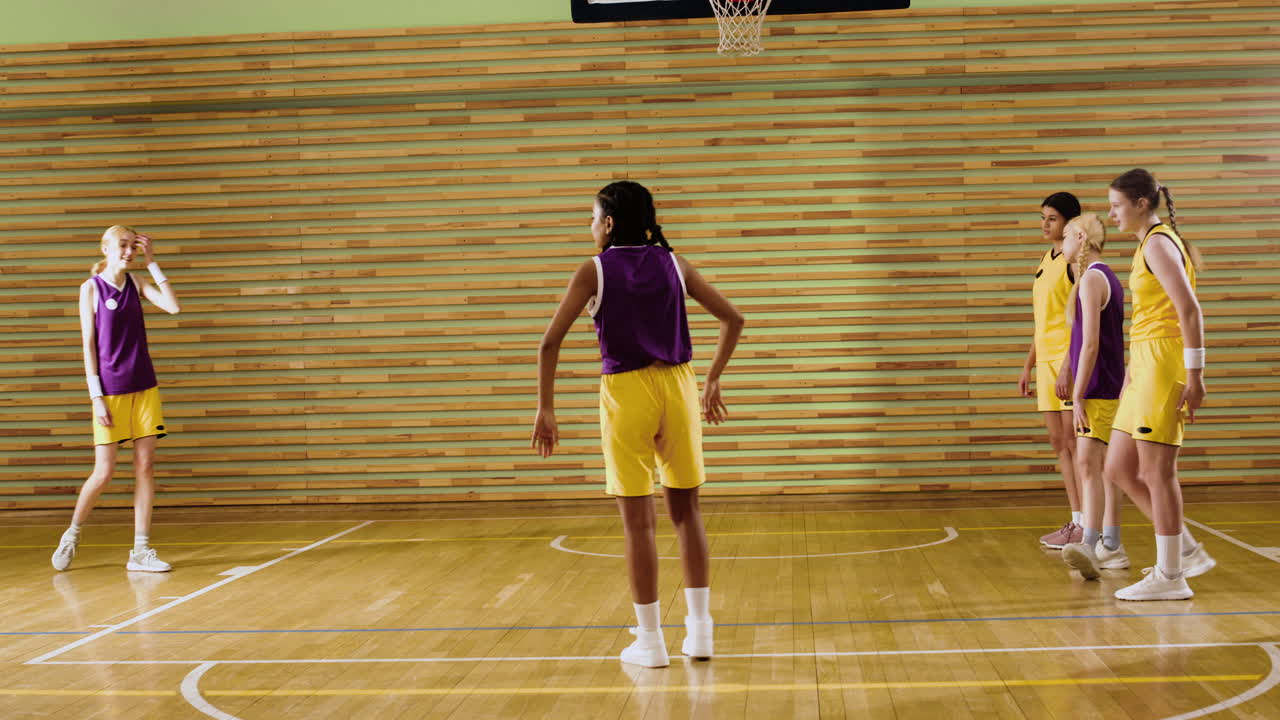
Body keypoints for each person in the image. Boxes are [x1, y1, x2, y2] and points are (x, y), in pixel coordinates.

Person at [532, 181, 744, 667]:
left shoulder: (593, 270)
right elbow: (733, 318)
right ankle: (701, 633)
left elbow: (548, 344)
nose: (589, 227)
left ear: (607, 223)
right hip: (679, 386)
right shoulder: (675, 263)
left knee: (638, 524)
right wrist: (711, 380)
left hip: (626, 393)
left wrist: (546, 408)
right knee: (687, 513)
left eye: (591, 218)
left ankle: (650, 642)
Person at [1102, 169, 1214, 601]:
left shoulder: (1160, 244)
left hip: (1165, 365)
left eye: (1116, 206)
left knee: (1156, 472)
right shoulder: (1147, 244)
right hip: (1145, 366)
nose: (1111, 214)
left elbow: (1189, 310)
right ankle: (1183, 549)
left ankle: (1171, 575)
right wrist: (1132, 366)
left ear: (1141, 204)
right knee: (1118, 468)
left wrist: (1196, 376)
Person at [52, 225, 180, 573]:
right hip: (109, 392)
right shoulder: (90, 289)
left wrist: (153, 262)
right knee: (104, 472)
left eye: (133, 247)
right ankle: (72, 535)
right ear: (106, 247)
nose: (128, 252)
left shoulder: (137, 284)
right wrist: (96, 397)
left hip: (145, 388)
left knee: (145, 468)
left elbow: (172, 307)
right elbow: (88, 346)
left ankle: (140, 551)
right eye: (122, 245)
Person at [1053, 213, 1130, 579]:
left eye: (1066, 235)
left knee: (1089, 466)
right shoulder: (1105, 277)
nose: (1062, 244)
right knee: (1103, 469)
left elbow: (1091, 346)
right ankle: (1110, 544)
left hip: (1099, 389)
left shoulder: (1092, 280)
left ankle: (1093, 542)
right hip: (1107, 387)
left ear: (1080, 237)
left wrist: (1079, 394)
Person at [1019, 192, 1084, 549]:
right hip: (1044, 362)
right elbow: (1042, 320)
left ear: (1069, 221)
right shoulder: (1047, 258)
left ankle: (1088, 524)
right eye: (1042, 218)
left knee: (1076, 446)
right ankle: (1075, 521)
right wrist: (1028, 365)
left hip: (1067, 362)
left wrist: (1067, 368)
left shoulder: (1075, 263)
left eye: (1052, 219)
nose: (1045, 225)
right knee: (1059, 443)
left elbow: (1081, 322)